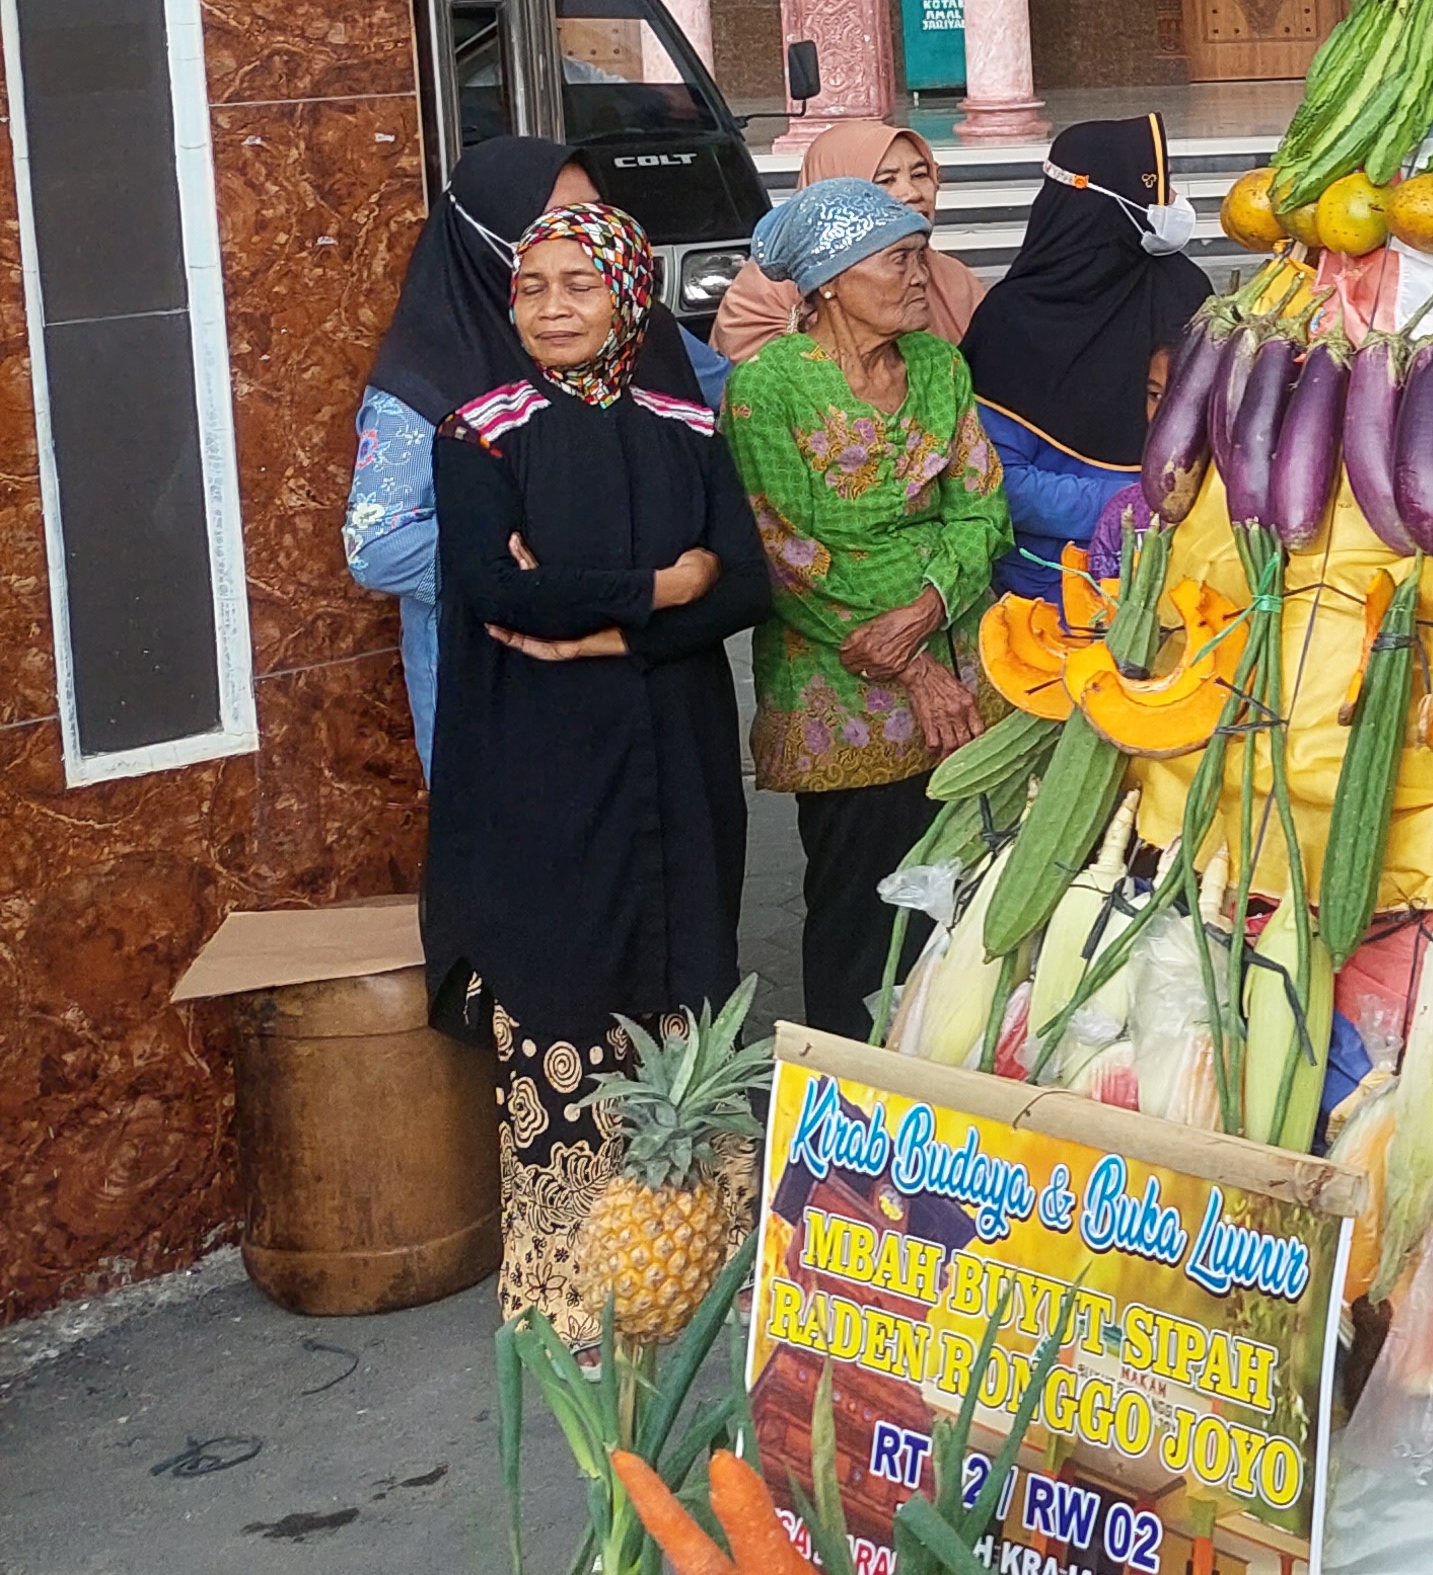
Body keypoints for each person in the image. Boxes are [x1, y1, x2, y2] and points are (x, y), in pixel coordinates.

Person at [422, 199, 771, 1341]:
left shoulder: (688, 423)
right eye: (533, 287)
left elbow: (746, 589)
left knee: (682, 962)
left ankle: (691, 1271)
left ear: (629, 293)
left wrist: (615, 626)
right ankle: (572, 1293)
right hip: (542, 757)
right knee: (565, 976)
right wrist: (660, 588)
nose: (553, 307)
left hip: (673, 746)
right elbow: (497, 590)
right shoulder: (480, 431)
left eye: (579, 285)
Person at [721, 177, 1012, 1029]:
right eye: (898, 259)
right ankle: (841, 1114)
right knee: (858, 915)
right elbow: (788, 550)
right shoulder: (766, 387)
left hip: (963, 681)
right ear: (832, 280)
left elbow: (983, 507)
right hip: (842, 699)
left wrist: (927, 607)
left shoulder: (937, 365)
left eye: (920, 255)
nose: (921, 276)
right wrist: (911, 666)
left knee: (957, 914)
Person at [352, 137, 708, 775]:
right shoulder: (428, 377)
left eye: (593, 220)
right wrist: (543, 550)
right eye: (547, 228)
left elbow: (734, 415)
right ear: (489, 241)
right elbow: (375, 548)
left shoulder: (634, 327)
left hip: (646, 670)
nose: (577, 241)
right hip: (501, 692)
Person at [960, 117, 1210, 604]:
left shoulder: (1186, 290)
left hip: (1179, 573)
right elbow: (999, 483)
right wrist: (1130, 503)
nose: (1172, 201)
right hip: (1055, 584)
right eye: (1157, 187)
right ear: (1107, 200)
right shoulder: (1012, 320)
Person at [711, 120, 984, 362]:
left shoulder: (954, 281)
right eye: (886, 180)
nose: (911, 193)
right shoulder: (764, 297)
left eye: (920, 175)